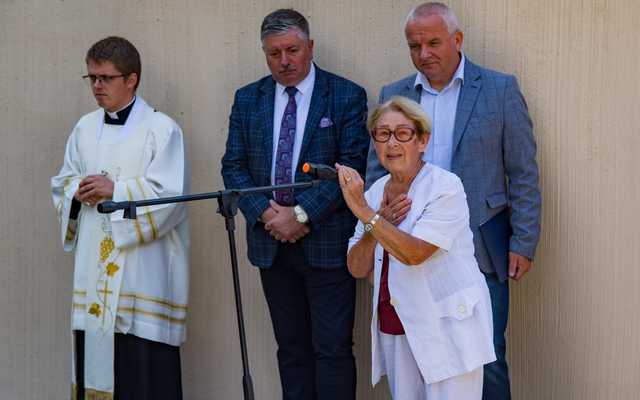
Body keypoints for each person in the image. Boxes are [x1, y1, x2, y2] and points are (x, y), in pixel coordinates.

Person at [365, 3, 541, 398]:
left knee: (488, 357)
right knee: (421, 358)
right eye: (414, 45)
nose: (423, 53)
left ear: (457, 40)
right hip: (411, 246)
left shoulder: (499, 89)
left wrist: (523, 241)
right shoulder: (393, 95)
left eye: (433, 42)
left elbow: (523, 173)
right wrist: (381, 219)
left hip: (480, 248)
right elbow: (376, 174)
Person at [221, 8, 369, 400]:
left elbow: (351, 167)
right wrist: (268, 215)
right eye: (274, 53)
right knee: (291, 351)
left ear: (310, 47)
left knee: (333, 350)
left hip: (327, 245)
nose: (284, 61)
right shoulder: (248, 99)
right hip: (271, 244)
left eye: (292, 50)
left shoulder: (345, 95)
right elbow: (233, 166)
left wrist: (301, 213)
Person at [51, 36, 189, 400]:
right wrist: (76, 193)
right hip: (93, 267)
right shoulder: (83, 128)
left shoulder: (163, 130)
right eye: (92, 78)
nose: (97, 86)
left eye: (106, 78)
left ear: (132, 79)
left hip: (142, 276)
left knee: (140, 374)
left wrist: (118, 190)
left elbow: (171, 198)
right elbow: (62, 182)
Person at [338, 96, 495, 399]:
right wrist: (374, 222)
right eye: (382, 134)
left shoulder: (445, 187)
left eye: (403, 133)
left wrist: (365, 214)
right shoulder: (374, 193)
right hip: (396, 326)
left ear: (423, 140)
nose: (391, 143)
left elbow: (414, 253)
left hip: (447, 329)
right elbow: (356, 266)